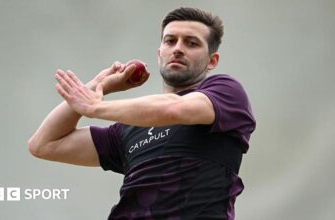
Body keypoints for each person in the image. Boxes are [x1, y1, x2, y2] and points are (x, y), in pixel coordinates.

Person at [28, 7, 256, 219]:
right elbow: (43, 144)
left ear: (212, 61)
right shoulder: (127, 128)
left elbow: (174, 108)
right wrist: (101, 86)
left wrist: (96, 107)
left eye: (191, 43)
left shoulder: (226, 92)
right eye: (170, 41)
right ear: (159, 54)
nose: (178, 48)